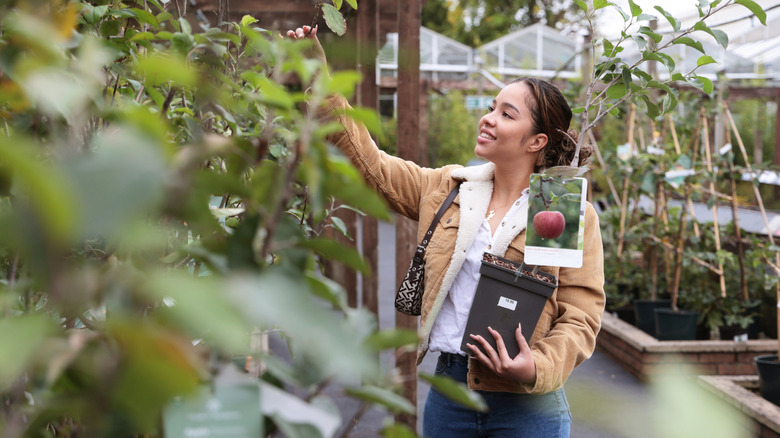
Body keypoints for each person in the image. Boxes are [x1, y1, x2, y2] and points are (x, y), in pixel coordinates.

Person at [287, 25, 605, 438]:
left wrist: (537, 366)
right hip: (450, 393)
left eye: (507, 114)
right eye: (492, 107)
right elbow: (371, 166)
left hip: (528, 408)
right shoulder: (449, 188)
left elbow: (580, 316)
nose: (488, 119)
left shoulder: (557, 208)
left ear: (536, 141)